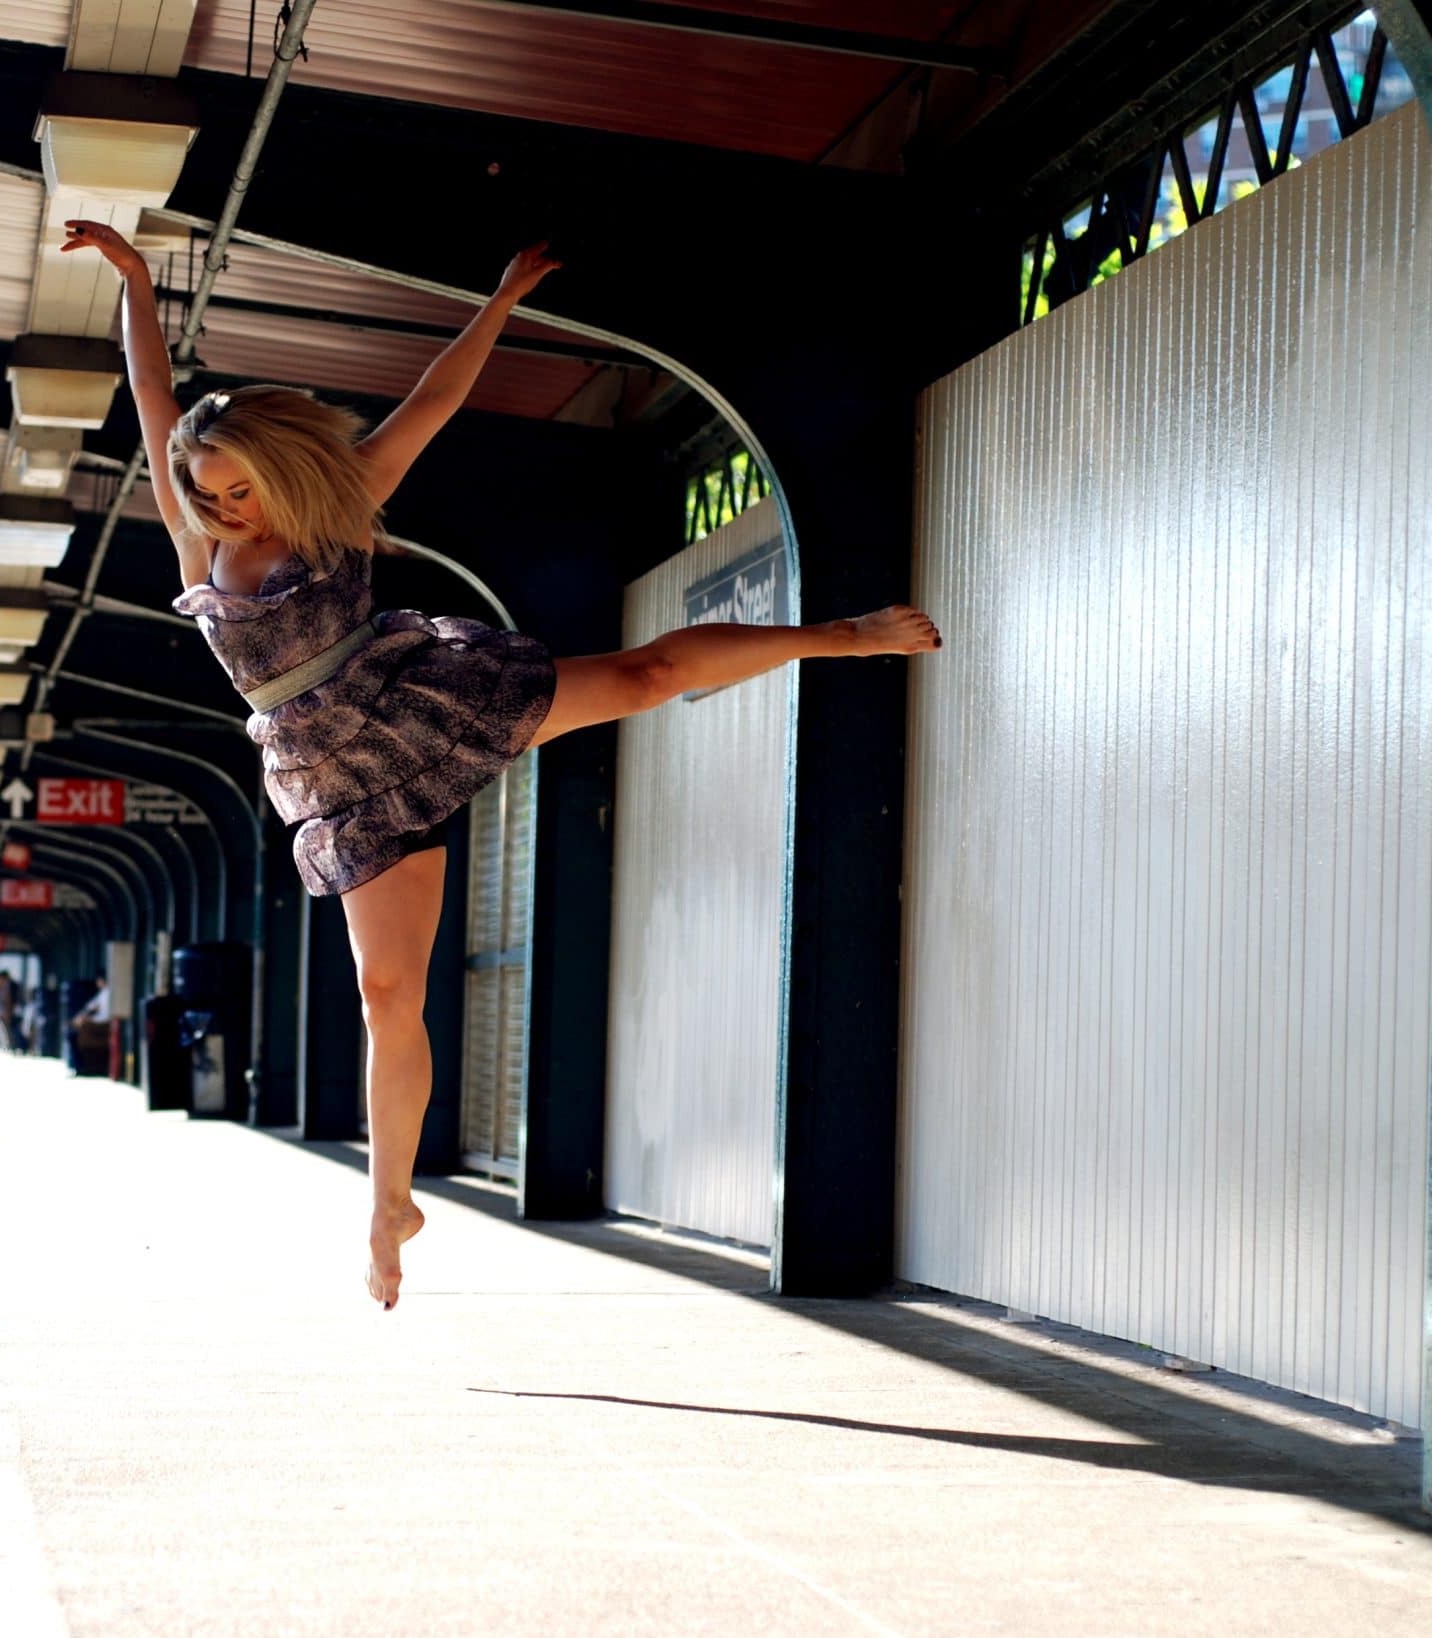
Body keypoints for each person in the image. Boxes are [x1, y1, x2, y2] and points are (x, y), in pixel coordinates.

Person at [61, 219, 944, 1312]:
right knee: (389, 990)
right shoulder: (200, 551)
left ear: (283, 464)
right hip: (333, 773)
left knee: (643, 675)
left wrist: (499, 305)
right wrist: (137, 286)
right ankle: (390, 1205)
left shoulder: (340, 510)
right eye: (210, 491)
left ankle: (841, 634)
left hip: (416, 701)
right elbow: (153, 407)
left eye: (239, 485)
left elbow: (430, 403)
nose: (225, 505)